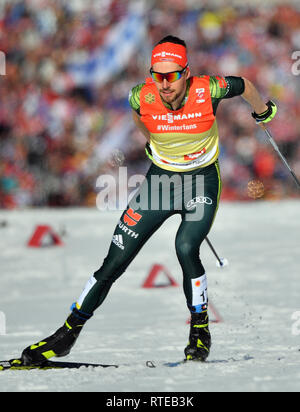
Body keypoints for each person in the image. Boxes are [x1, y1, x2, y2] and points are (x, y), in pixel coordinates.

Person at [20, 35, 277, 364]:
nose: (164, 84)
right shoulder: (141, 95)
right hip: (161, 181)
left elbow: (246, 86)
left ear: (186, 72)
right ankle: (67, 334)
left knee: (186, 247)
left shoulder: (209, 88)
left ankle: (199, 331)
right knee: (114, 261)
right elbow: (140, 117)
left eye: (171, 76)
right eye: (157, 75)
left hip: (201, 181)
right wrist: (156, 143)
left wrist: (263, 113)